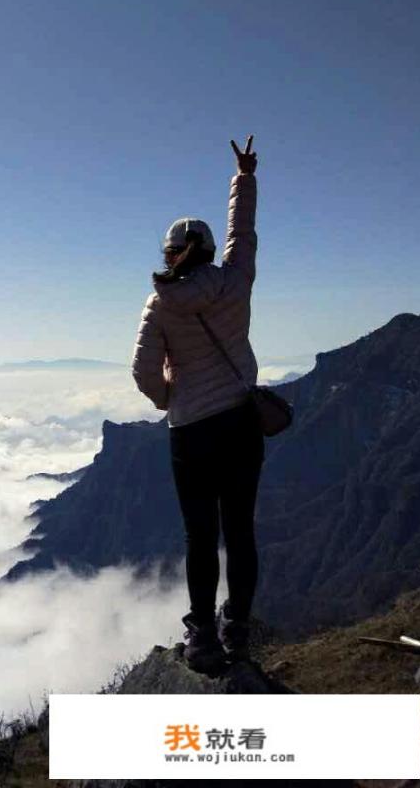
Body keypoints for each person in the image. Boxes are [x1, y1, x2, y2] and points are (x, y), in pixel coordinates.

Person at [131, 135, 263, 673]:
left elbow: (142, 372)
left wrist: (171, 396)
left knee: (201, 535)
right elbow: (244, 233)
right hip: (239, 424)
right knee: (241, 530)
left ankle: (203, 635)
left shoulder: (159, 304)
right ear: (208, 251)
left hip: (190, 434)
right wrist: (244, 177)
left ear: (171, 254)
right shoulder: (235, 282)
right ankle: (239, 632)